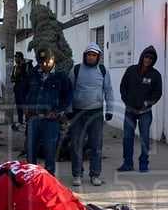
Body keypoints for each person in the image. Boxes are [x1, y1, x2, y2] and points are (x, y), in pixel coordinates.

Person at [67, 43, 115, 187]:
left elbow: (109, 91)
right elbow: (68, 92)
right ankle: (77, 174)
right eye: (89, 55)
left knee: (96, 145)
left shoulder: (103, 70)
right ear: (85, 56)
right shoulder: (76, 70)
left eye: (94, 55)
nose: (91, 57)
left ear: (98, 57)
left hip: (96, 113)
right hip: (78, 113)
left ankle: (95, 174)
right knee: (76, 144)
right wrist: (68, 110)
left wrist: (110, 110)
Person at [24, 46, 72, 176]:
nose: (44, 65)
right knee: (30, 149)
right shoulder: (32, 73)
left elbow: (68, 97)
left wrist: (57, 111)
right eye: (40, 62)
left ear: (53, 59)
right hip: (33, 119)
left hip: (50, 120)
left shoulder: (61, 76)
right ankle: (32, 177)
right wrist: (25, 105)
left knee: (50, 151)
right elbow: (22, 90)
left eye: (47, 62)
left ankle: (49, 178)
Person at [118, 44, 163, 173]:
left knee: (144, 138)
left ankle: (144, 163)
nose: (148, 60)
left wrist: (148, 103)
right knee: (127, 138)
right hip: (130, 111)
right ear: (142, 57)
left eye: (151, 58)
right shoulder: (131, 70)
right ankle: (127, 163)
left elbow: (158, 93)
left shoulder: (155, 75)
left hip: (145, 112)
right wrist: (127, 102)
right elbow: (123, 87)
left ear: (153, 60)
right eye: (146, 57)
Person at [11, 51, 30, 131]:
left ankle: (27, 120)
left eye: (17, 57)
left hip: (25, 88)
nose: (15, 59)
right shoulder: (15, 67)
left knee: (25, 104)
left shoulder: (27, 66)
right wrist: (17, 78)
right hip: (17, 88)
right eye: (15, 57)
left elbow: (27, 76)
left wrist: (21, 77)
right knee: (18, 105)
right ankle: (20, 121)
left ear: (20, 58)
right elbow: (12, 77)